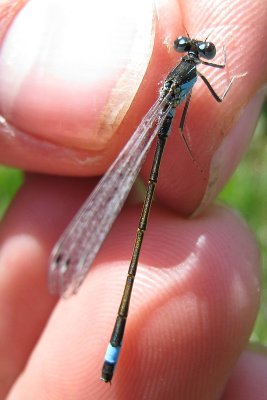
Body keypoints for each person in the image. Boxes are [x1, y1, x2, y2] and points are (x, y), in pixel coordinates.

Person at [0, 0, 266, 399]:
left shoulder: (183, 74)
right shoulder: (187, 77)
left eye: (200, 52)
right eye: (193, 51)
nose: (196, 55)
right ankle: (109, 350)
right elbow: (214, 90)